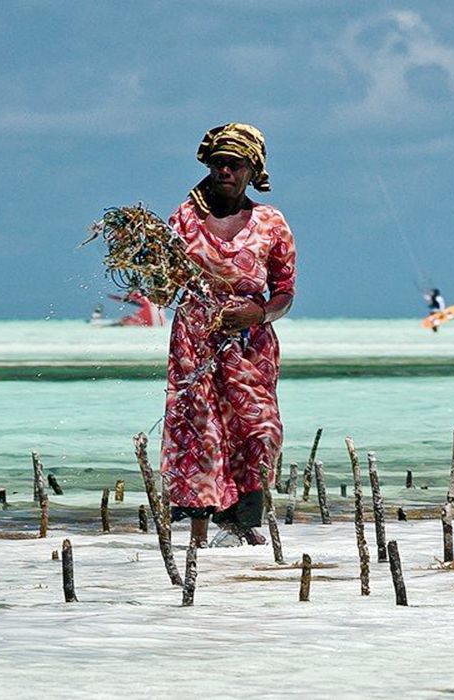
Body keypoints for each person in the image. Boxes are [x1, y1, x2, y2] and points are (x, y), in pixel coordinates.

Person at [160, 123, 295, 548]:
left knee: (261, 430)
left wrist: (258, 313)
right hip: (195, 337)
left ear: (252, 170)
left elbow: (286, 292)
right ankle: (198, 539)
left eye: (234, 165)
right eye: (218, 163)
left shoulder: (271, 223)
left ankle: (239, 520)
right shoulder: (184, 218)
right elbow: (166, 287)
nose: (224, 171)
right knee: (202, 429)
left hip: (252, 344)